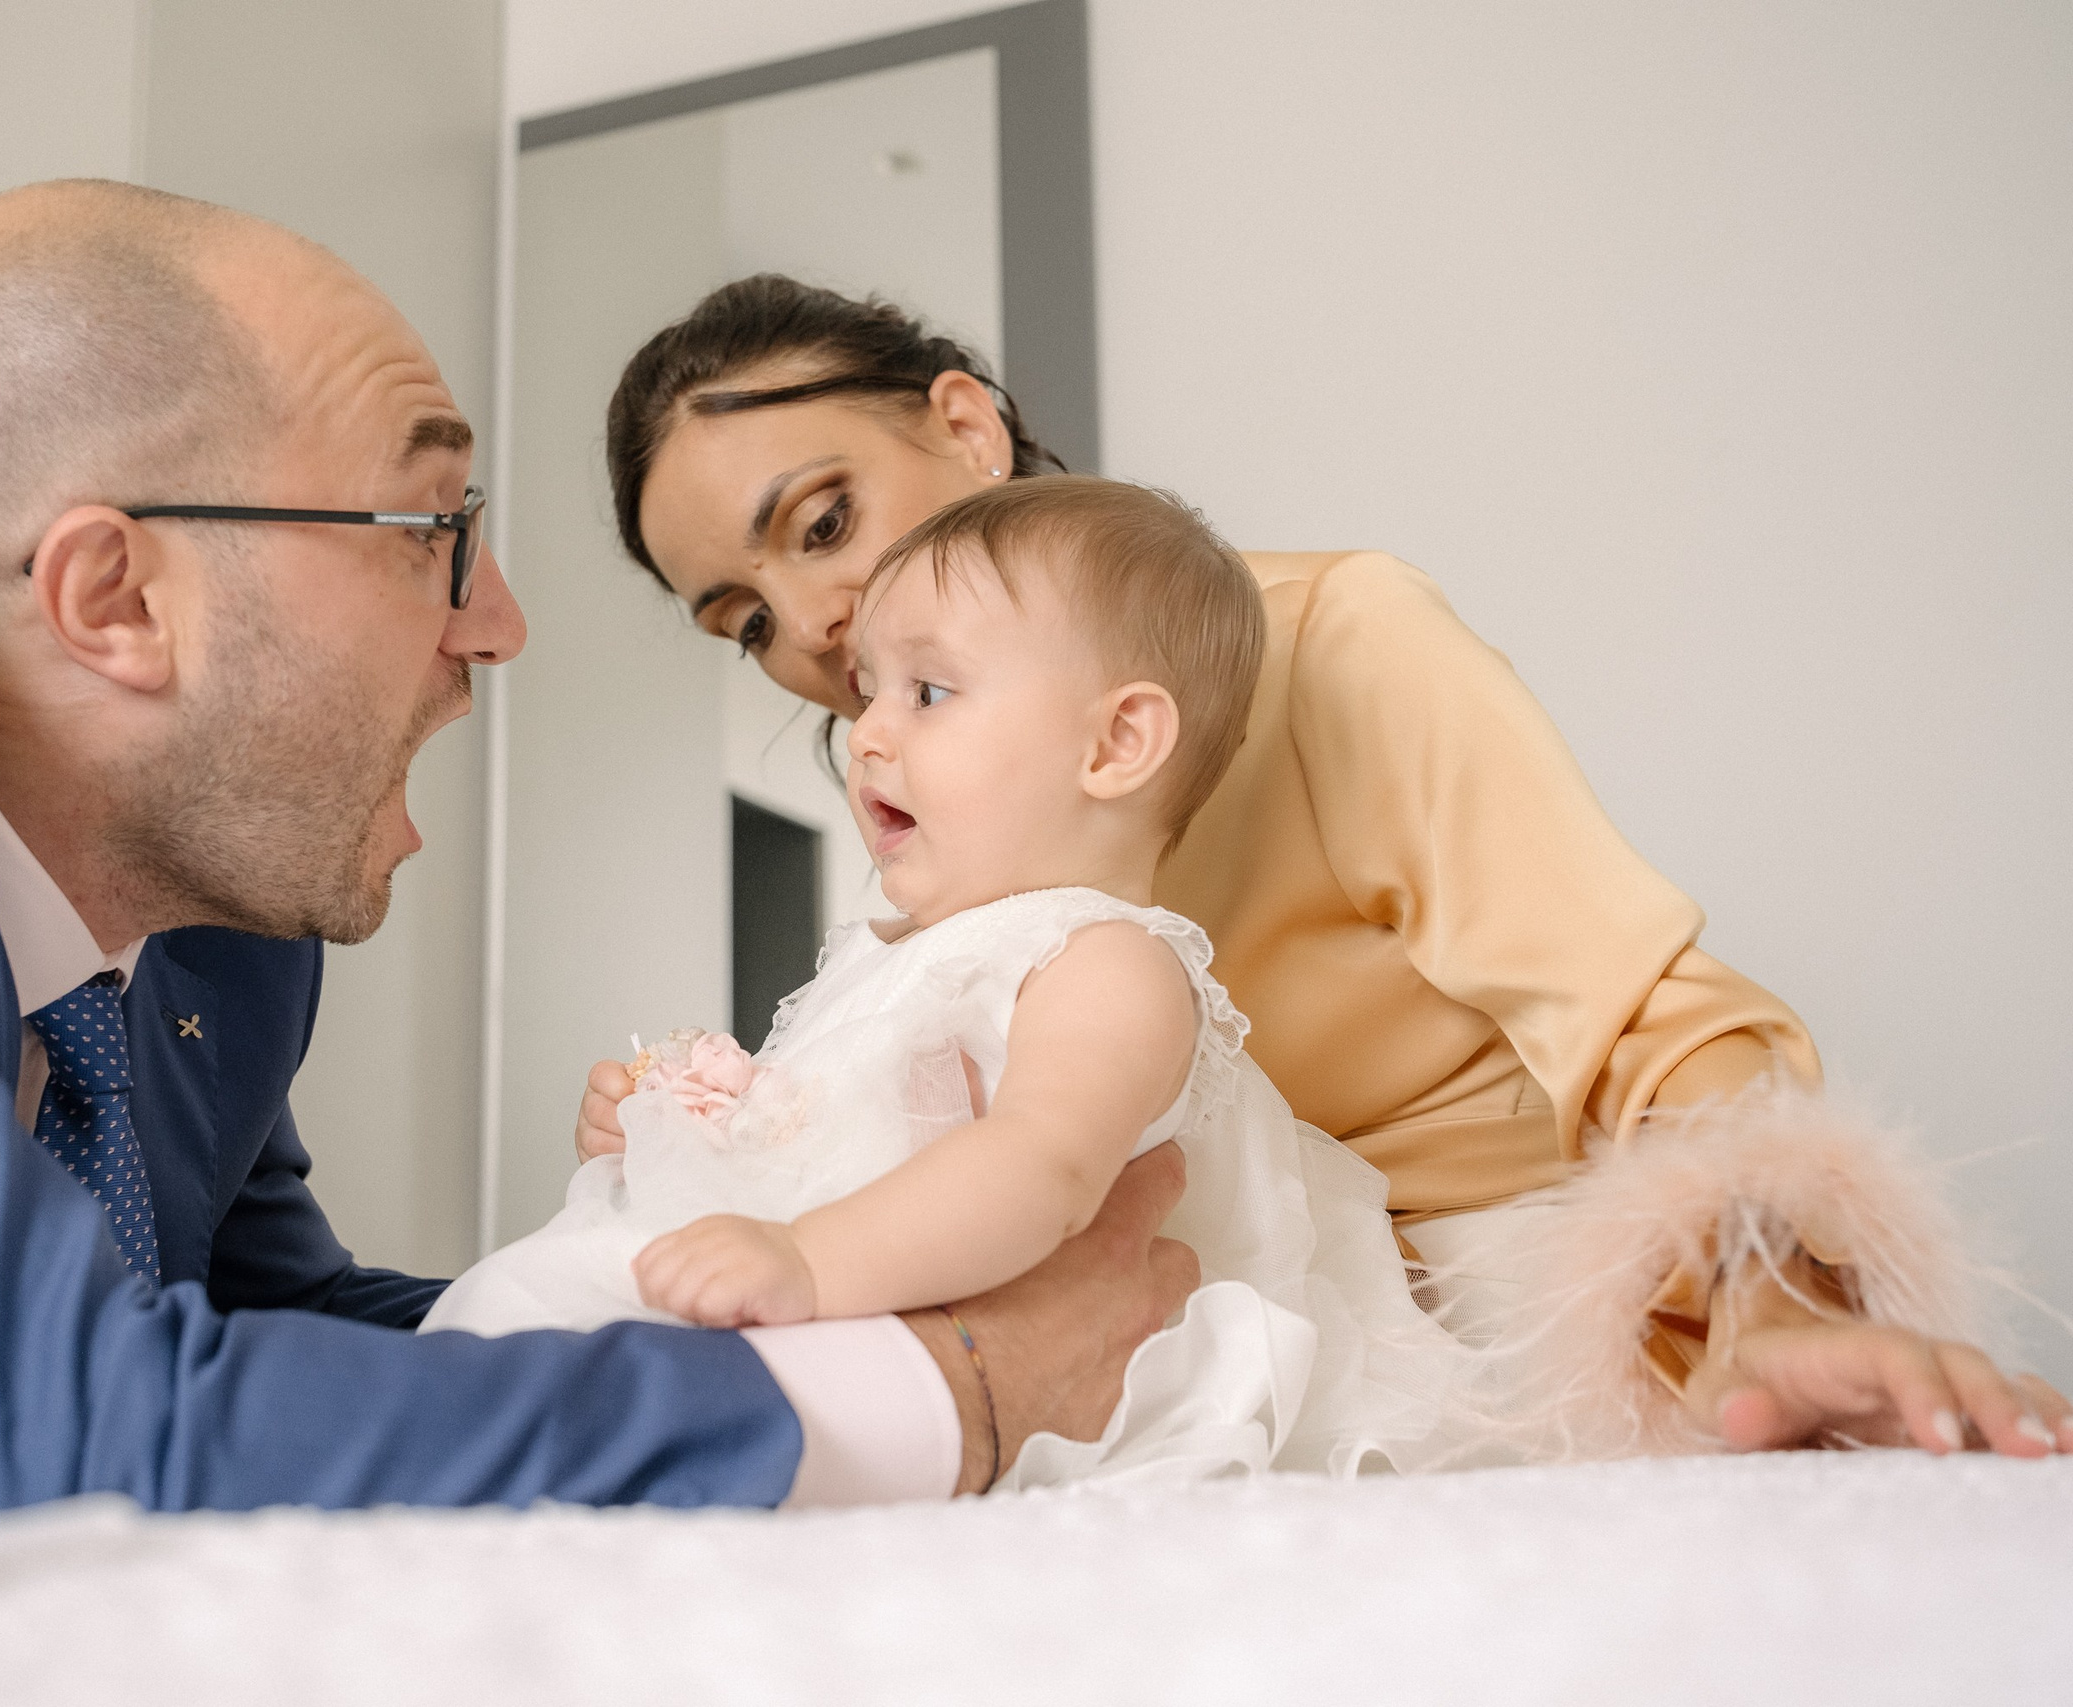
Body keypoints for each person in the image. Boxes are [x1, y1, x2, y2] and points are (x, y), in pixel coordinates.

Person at [0, 183, 1197, 1520]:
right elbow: (47, 1434)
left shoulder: (219, 925)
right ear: (116, 601)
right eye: (434, 533)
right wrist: (937, 1391)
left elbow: (259, 1336)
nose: (502, 625)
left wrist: (702, 1279)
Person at [585, 273, 2069, 1462]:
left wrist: (1770, 1296)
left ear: (968, 429)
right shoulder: (930, 827)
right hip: (1183, 1346)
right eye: (744, 618)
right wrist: (700, 1128)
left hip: (1470, 1329)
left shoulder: (1337, 644)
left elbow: (1647, 1022)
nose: (812, 627)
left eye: (824, 522)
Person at [428, 477, 1467, 1491]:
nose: (869, 733)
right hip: (873, 1295)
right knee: (528, 1303)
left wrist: (806, 1260)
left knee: (567, 1322)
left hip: (1019, 1335)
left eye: (927, 692)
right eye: (870, 691)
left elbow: (1039, 1170)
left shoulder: (1105, 960)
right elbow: (843, 1136)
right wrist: (679, 1127)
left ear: (1115, 744)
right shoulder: (891, 953)